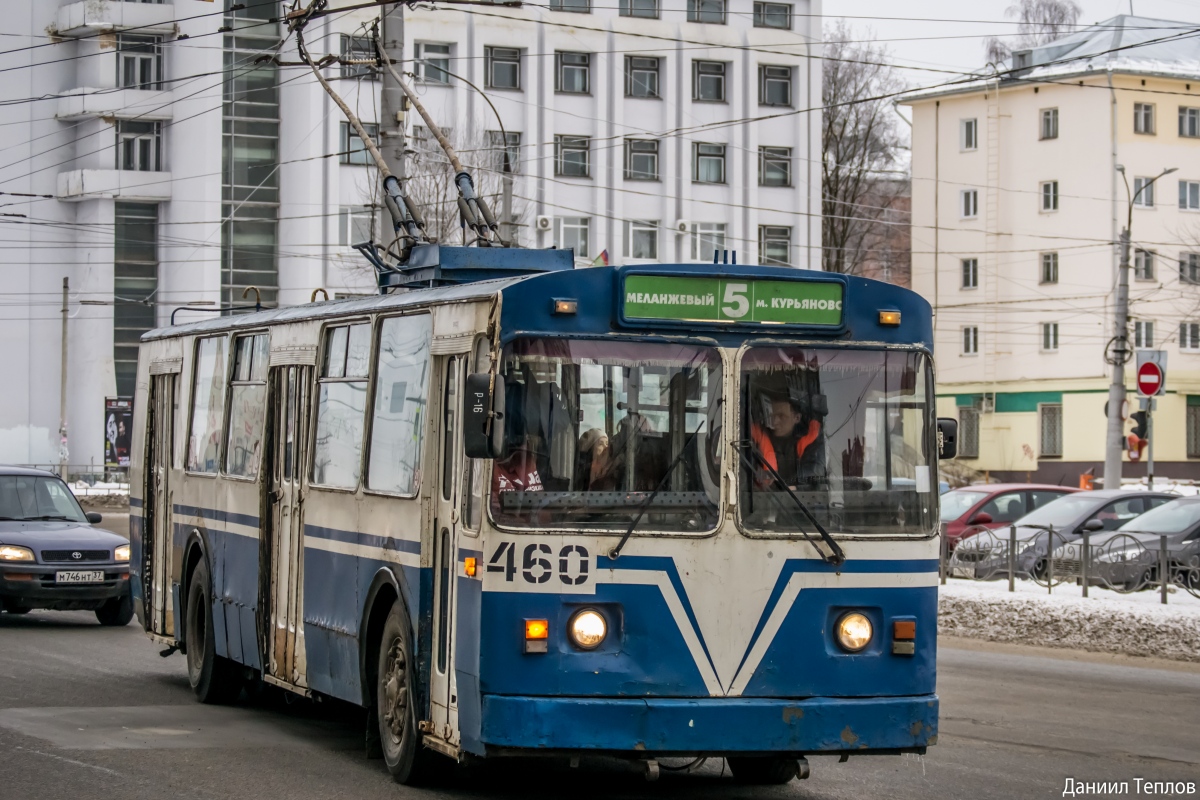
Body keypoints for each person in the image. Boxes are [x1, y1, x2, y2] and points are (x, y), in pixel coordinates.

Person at [750, 395, 825, 489]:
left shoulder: (813, 441)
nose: (775, 421)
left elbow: (815, 476)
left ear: (797, 418)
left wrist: (797, 488)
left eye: (781, 416)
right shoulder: (756, 437)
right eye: (772, 415)